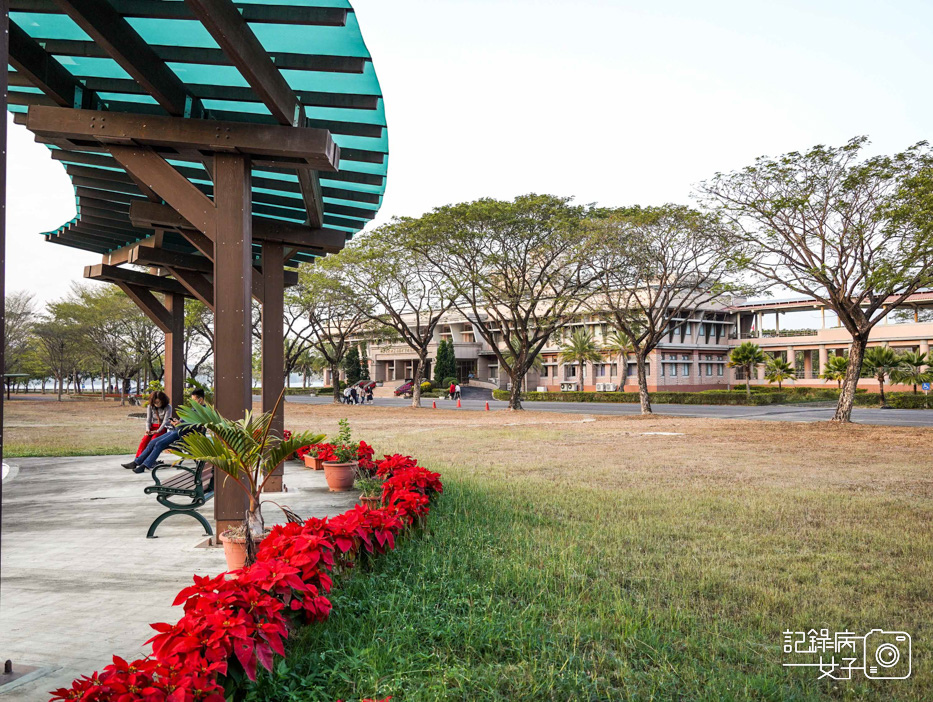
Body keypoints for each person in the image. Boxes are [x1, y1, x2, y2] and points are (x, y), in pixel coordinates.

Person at [121, 388, 207, 474]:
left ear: (200, 400)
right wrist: (177, 422)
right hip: (177, 430)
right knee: (152, 442)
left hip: (183, 433)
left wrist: (180, 424)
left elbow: (195, 425)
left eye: (194, 399)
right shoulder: (195, 408)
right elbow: (187, 421)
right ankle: (136, 462)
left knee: (159, 444)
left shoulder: (203, 411)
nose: (192, 402)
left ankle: (144, 466)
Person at [135, 391, 172, 458]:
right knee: (144, 440)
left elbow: (165, 421)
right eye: (155, 403)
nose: (156, 404)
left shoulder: (168, 407)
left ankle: (148, 459)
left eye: (158, 402)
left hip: (162, 428)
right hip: (152, 427)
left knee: (153, 441)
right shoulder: (150, 406)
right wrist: (147, 429)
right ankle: (138, 459)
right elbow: (148, 420)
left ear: (162, 401)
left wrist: (158, 430)